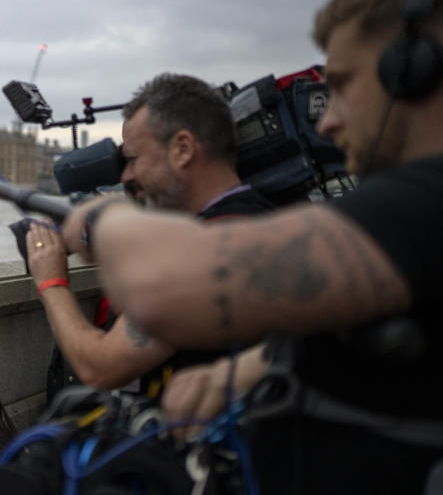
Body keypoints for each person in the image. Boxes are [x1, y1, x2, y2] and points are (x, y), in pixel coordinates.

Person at [62, 0, 443, 495]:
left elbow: (164, 286)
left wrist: (99, 217)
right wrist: (244, 370)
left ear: (417, 68)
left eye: (343, 86)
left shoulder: (436, 200)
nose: (327, 121)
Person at [26, 73, 274, 393]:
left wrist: (51, 280)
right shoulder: (260, 220)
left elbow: (100, 366)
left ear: (183, 149)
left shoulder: (204, 256)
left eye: (132, 159)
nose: (126, 176)